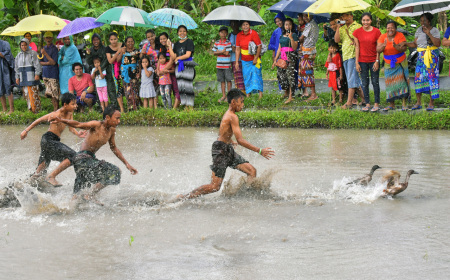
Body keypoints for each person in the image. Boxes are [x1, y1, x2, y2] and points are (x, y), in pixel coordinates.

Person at [176, 89, 275, 200]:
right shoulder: (232, 116)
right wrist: (260, 151)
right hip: (220, 150)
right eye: (241, 102)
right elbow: (240, 140)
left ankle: (246, 196)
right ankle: (184, 197)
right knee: (214, 186)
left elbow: (223, 132)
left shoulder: (229, 115)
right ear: (233, 102)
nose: (243, 105)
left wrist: (229, 140)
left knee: (252, 171)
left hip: (226, 148)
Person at [51, 105, 138, 203]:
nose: (118, 121)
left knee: (75, 199)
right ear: (107, 117)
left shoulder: (112, 130)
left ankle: (61, 207)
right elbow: (78, 124)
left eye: (119, 119)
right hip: (82, 159)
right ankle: (90, 194)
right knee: (115, 172)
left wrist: (127, 164)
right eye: (117, 118)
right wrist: (61, 120)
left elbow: (113, 148)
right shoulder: (96, 125)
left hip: (89, 160)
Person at [20, 94, 86, 187]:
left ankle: (22, 186)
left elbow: (71, 128)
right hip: (48, 140)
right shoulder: (56, 114)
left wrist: (78, 134)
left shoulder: (70, 113)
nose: (75, 106)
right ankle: (51, 176)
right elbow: (39, 120)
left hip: (53, 141)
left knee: (39, 174)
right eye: (73, 104)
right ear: (65, 104)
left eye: (75, 104)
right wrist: (26, 130)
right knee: (73, 156)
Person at [406, 13, 441, 111]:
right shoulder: (418, 30)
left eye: (424, 20)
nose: (422, 22)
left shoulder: (434, 30)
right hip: (421, 58)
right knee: (418, 78)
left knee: (432, 78)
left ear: (429, 21)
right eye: (421, 20)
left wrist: (428, 33)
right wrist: (404, 43)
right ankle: (418, 102)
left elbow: (438, 43)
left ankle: (431, 103)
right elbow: (414, 44)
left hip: (432, 58)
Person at [377, 21, 410, 111]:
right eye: (388, 28)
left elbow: (404, 48)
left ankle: (404, 104)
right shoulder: (382, 37)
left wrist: (396, 47)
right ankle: (392, 104)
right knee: (390, 84)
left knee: (402, 83)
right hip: (388, 64)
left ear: (395, 28)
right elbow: (378, 49)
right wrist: (383, 46)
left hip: (400, 62)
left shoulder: (400, 36)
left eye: (392, 27)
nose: (390, 29)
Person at [353, 13, 381, 112]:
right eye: (364, 20)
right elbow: (357, 47)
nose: (366, 22)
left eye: (368, 20)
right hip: (362, 61)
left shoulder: (377, 32)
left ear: (371, 21)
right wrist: (356, 63)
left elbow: (378, 48)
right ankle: (368, 103)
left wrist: (377, 61)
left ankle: (376, 103)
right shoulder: (357, 32)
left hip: (374, 60)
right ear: (361, 21)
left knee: (375, 82)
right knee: (364, 83)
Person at [335, 12, 363, 109]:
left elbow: (360, 41)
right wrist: (338, 27)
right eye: (343, 16)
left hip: (353, 56)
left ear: (352, 16)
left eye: (347, 15)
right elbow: (337, 40)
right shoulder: (342, 28)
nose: (345, 18)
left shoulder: (358, 26)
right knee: (355, 80)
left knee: (351, 80)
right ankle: (364, 100)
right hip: (345, 56)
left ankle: (349, 102)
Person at [272, 18, 299, 103]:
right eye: (286, 24)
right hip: (282, 56)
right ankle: (286, 92)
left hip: (290, 56)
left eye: (290, 24)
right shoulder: (281, 35)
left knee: (290, 75)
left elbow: (295, 47)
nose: (288, 26)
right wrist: (275, 59)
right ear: (284, 26)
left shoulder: (294, 35)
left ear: (292, 25)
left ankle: (291, 96)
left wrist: (291, 38)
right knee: (281, 75)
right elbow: (279, 48)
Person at [235, 21, 264, 99]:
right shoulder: (239, 35)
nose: (245, 26)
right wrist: (237, 62)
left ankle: (260, 95)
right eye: (243, 25)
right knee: (247, 77)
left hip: (254, 60)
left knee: (256, 76)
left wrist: (255, 58)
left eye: (247, 24)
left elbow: (259, 46)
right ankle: (248, 94)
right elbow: (238, 49)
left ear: (249, 25)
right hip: (244, 60)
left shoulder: (253, 33)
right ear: (241, 26)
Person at [170, 25, 196, 108]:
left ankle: (190, 106)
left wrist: (178, 58)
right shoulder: (176, 44)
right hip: (179, 67)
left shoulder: (189, 42)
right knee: (181, 86)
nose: (182, 33)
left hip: (187, 65)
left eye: (184, 31)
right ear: (178, 33)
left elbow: (188, 54)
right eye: (180, 31)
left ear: (186, 32)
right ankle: (185, 105)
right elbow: (173, 57)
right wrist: (170, 46)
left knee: (188, 85)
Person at [15, 38, 41, 114]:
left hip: (32, 76)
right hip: (23, 77)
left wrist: (37, 73)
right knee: (26, 93)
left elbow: (37, 64)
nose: (24, 47)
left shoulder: (33, 53)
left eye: (25, 45)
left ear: (27, 45)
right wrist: (17, 77)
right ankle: (30, 110)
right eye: (22, 45)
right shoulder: (18, 55)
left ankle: (36, 111)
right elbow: (16, 67)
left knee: (34, 93)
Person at [298, 14, 319, 101]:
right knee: (308, 72)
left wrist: (295, 37)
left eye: (306, 16)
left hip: (307, 51)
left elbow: (301, 38)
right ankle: (312, 93)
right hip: (311, 51)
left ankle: (313, 94)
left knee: (307, 73)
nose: (305, 18)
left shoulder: (310, 25)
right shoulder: (315, 24)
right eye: (303, 16)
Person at [39, 31, 60, 111]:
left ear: (52, 38)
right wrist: (48, 62)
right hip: (45, 74)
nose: (48, 39)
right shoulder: (43, 49)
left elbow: (54, 62)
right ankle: (55, 109)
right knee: (50, 94)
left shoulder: (54, 49)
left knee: (55, 93)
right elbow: (40, 62)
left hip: (53, 74)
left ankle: (56, 109)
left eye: (49, 37)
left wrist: (45, 54)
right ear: (44, 38)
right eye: (46, 37)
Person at [159, 32, 181, 108]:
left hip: (173, 70)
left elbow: (172, 60)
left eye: (164, 38)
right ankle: (171, 106)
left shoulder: (173, 46)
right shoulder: (162, 48)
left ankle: (174, 109)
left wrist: (163, 70)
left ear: (168, 39)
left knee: (176, 89)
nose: (162, 40)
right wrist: (159, 70)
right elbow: (160, 59)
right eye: (161, 39)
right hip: (166, 72)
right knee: (169, 90)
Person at [105, 32, 125, 113]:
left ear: (117, 38)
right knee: (118, 88)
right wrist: (118, 52)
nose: (113, 41)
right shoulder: (108, 48)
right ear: (109, 40)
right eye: (111, 40)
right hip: (115, 70)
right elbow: (110, 61)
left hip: (124, 67)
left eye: (115, 39)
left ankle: (132, 106)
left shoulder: (122, 44)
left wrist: (121, 52)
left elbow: (121, 58)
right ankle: (122, 109)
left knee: (127, 87)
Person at [212, 26, 233, 103]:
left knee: (228, 80)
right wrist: (222, 51)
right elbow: (214, 53)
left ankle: (229, 96)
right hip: (219, 65)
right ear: (219, 33)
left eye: (225, 33)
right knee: (222, 80)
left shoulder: (228, 42)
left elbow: (227, 53)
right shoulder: (217, 42)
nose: (223, 34)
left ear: (227, 34)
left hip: (227, 65)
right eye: (222, 32)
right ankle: (223, 95)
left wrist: (219, 52)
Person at [121, 36, 141, 111]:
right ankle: (130, 108)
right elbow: (118, 60)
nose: (130, 43)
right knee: (127, 91)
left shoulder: (137, 51)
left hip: (134, 73)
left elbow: (139, 63)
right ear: (126, 43)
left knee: (135, 91)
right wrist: (120, 51)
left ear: (134, 42)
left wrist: (139, 72)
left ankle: (137, 108)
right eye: (128, 41)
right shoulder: (123, 51)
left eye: (131, 41)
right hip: (125, 73)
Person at [229, 20, 246, 94]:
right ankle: (239, 91)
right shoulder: (230, 35)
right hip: (233, 58)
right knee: (236, 75)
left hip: (242, 57)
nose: (234, 26)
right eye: (232, 24)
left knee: (243, 74)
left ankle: (244, 91)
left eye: (235, 24)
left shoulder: (241, 34)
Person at [0, 38, 15, 114]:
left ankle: (11, 109)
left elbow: (8, 56)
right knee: (0, 90)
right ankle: (4, 109)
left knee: (8, 87)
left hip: (5, 69)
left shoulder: (5, 43)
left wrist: (1, 54)